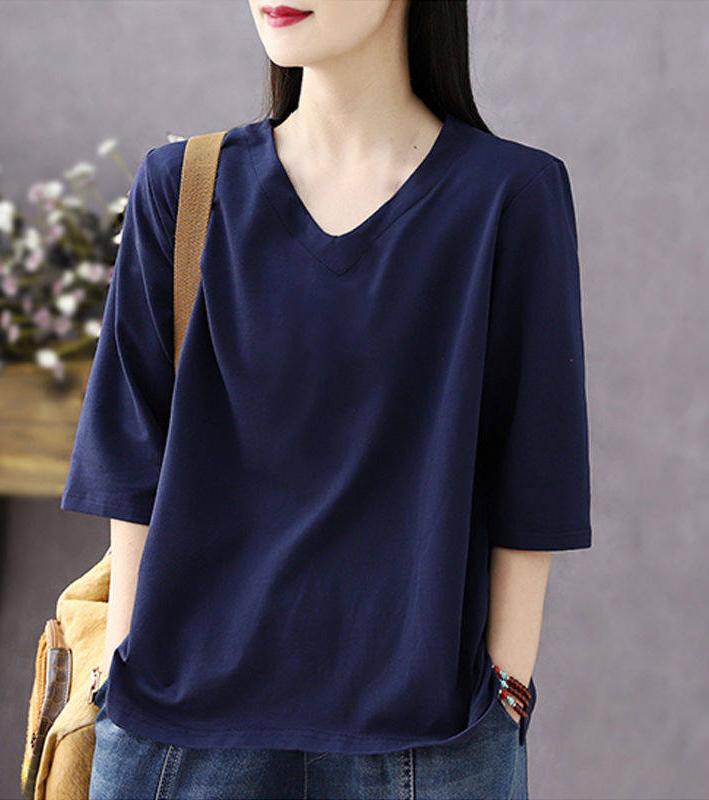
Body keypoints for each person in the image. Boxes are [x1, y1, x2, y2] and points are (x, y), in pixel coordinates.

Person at [60, 1, 592, 797]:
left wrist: (504, 697)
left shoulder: (510, 195)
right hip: (175, 737)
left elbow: (536, 475)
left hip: (429, 745)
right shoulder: (184, 188)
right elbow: (131, 466)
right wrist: (122, 677)